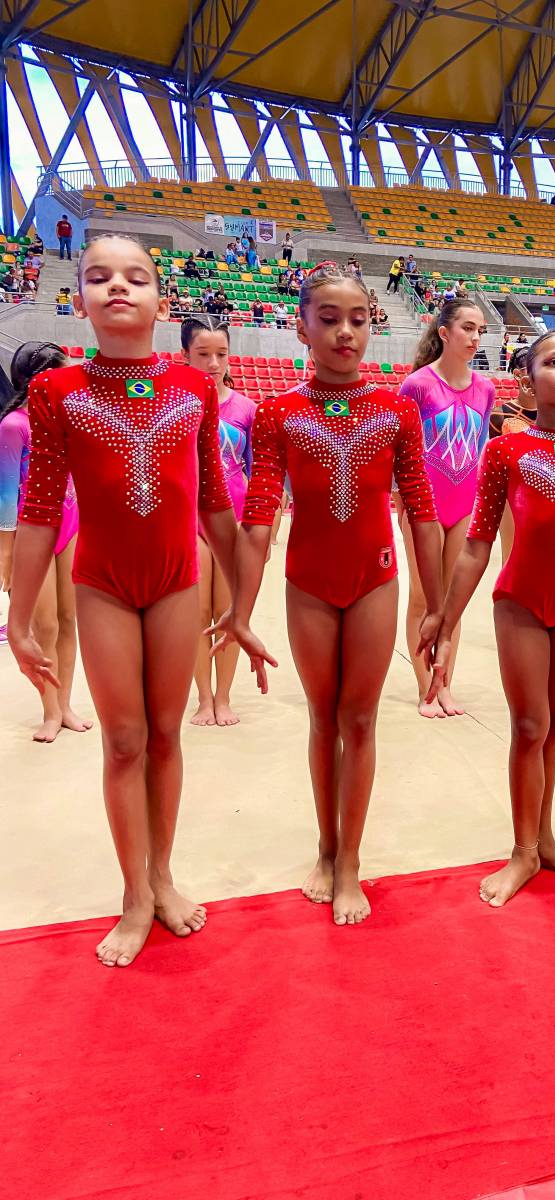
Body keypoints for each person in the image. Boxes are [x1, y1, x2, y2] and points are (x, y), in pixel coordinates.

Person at [7, 234, 240, 968]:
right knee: (123, 741)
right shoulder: (57, 392)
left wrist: (243, 597)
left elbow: (214, 501)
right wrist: (17, 619)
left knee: (166, 735)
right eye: (99, 276)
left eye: (135, 278)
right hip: (103, 584)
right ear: (79, 299)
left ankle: (162, 876)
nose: (117, 287)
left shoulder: (193, 386)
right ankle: (134, 894)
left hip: (175, 581)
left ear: (160, 303)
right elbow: (39, 510)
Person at [212, 263, 443, 926]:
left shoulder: (396, 411)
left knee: (361, 722)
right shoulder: (279, 413)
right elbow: (259, 515)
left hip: (374, 578)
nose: (346, 332)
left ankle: (351, 862)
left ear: (372, 326)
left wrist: (439, 606)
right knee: (322, 721)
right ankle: (325, 846)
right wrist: (239, 611)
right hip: (309, 583)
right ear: (302, 327)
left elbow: (421, 509)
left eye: (358, 320)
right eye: (330, 319)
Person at [424, 330, 555, 906]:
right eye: (554, 362)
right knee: (529, 726)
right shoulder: (506, 451)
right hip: (520, 604)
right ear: (527, 377)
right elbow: (476, 545)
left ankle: (544, 840)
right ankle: (522, 850)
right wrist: (445, 620)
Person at [398, 298, 495, 717]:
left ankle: (445, 684)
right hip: (424, 504)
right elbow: (401, 450)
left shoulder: (485, 389)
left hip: (465, 502)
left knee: (452, 603)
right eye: (467, 328)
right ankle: (425, 688)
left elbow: (480, 451)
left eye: (480, 331)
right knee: (424, 597)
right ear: (444, 333)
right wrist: (403, 502)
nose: (475, 338)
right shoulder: (417, 385)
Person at [0, 342, 88, 742]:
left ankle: (65, 704)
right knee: (45, 625)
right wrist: (6, 553)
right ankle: (50, 710)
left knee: (69, 619)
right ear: (38, 380)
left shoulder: (66, 422)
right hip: (30, 531)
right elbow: (6, 495)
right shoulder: (13, 426)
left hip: (70, 523)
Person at [181, 316, 257, 728]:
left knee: (230, 612)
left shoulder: (245, 409)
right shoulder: (175, 406)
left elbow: (258, 475)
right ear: (185, 355)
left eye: (221, 354)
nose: (213, 363)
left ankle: (224, 696)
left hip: (234, 522)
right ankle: (203, 697)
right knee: (196, 614)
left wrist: (262, 533)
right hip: (188, 521)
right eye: (203, 354)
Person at [488, 345, 537, 563]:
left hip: (547, 492)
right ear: (518, 375)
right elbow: (494, 462)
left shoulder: (554, 414)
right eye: (532, 370)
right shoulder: (499, 415)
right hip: (511, 493)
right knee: (510, 557)